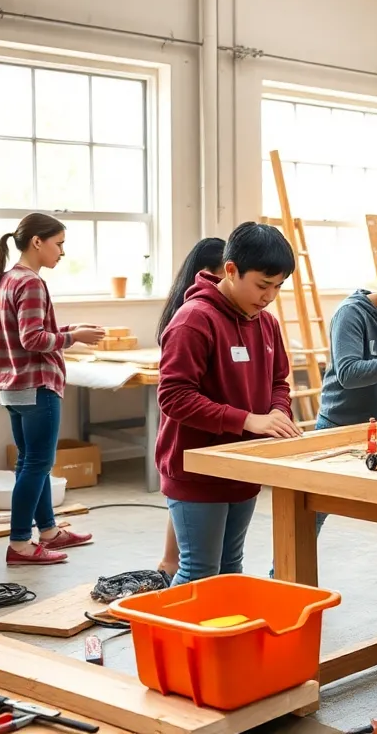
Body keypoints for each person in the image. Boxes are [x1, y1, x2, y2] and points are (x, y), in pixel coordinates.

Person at [269, 256, 377, 579]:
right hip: (338, 427)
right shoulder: (351, 315)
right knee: (310, 514)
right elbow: (349, 373)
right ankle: (282, 578)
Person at [157, 222, 303, 586]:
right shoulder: (194, 320)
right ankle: (177, 642)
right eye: (262, 285)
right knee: (198, 571)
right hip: (196, 470)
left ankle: (219, 643)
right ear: (232, 270)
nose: (269, 296)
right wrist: (247, 420)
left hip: (243, 468)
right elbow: (174, 397)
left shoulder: (266, 324)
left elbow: (279, 382)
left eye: (278, 287)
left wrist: (276, 412)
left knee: (229, 567)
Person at [0, 214, 105, 566]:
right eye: (59, 243)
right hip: (37, 386)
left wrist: (72, 328)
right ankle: (21, 544)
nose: (63, 252)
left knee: (30, 463)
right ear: (37, 242)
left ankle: (49, 531)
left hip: (13, 387)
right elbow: (33, 339)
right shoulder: (32, 283)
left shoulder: (9, 279)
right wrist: (73, 338)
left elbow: (29, 332)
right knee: (37, 465)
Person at [155, 236, 226, 580]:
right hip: (190, 440)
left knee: (215, 561)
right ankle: (170, 565)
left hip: (211, 446)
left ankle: (169, 562)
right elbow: (176, 394)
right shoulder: (191, 317)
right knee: (197, 564)